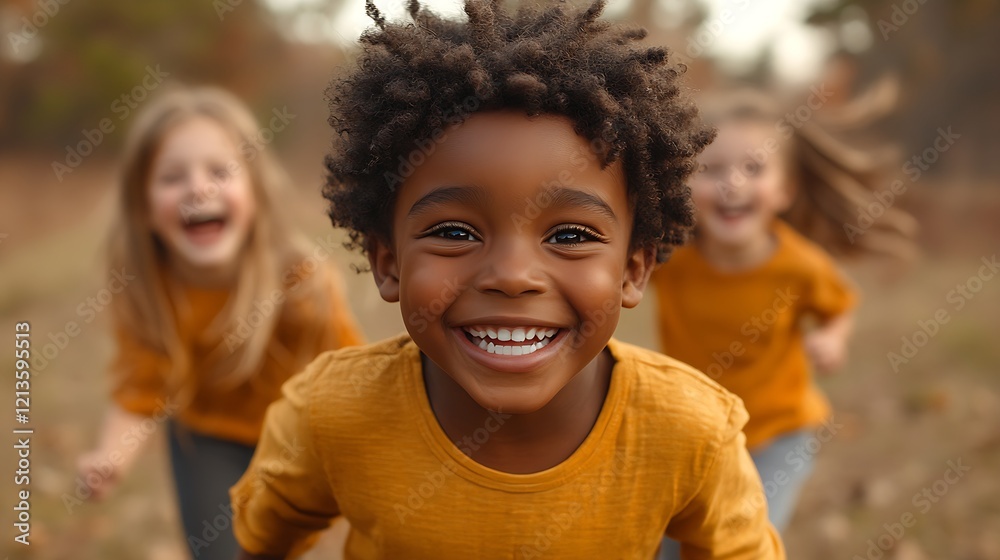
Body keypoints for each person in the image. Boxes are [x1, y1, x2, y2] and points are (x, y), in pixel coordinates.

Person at [231, 1, 785, 558]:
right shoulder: (331, 413)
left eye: (569, 236)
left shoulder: (691, 433)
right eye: (455, 231)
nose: (513, 277)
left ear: (633, 269)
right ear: (387, 260)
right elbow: (262, 539)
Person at [76, 86, 363, 560]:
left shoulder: (300, 281)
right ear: (145, 207)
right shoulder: (150, 291)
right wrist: (111, 457)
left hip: (295, 439)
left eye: (219, 171)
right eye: (172, 177)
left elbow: (352, 370)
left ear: (255, 190)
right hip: (206, 436)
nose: (197, 188)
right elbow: (140, 386)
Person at [651, 88, 917, 553]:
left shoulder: (799, 266)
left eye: (753, 168)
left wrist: (833, 339)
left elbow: (839, 305)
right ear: (685, 184)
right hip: (693, 433)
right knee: (672, 546)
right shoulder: (670, 260)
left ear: (785, 189)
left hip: (779, 435)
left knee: (742, 539)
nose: (733, 183)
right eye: (711, 170)